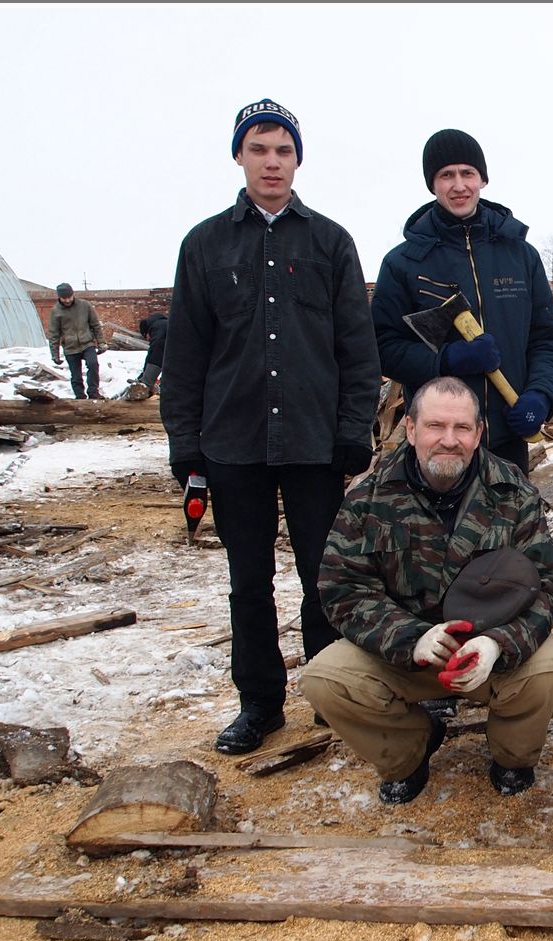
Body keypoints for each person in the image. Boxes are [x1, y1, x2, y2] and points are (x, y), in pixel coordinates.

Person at [161, 98, 381, 755]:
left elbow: (357, 350)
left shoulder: (330, 243)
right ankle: (260, 704)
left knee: (325, 576)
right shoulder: (205, 245)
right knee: (249, 583)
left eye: (284, 150)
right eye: (259, 149)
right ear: (239, 156)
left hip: (315, 445)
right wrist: (185, 444)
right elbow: (186, 355)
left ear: (297, 160)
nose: (272, 162)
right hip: (233, 444)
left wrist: (354, 429)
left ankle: (331, 696)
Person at [302, 377, 553, 803]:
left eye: (462, 427)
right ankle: (410, 749)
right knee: (325, 681)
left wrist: (498, 644)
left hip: (488, 652)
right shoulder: (369, 497)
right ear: (411, 430)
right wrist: (411, 637)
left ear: (478, 433)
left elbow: (548, 585)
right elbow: (343, 589)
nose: (449, 440)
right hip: (404, 652)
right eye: (435, 426)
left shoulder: (512, 491)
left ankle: (512, 753)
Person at [372, 128, 553, 474]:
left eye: (468, 173)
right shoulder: (404, 263)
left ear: (483, 179)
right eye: (447, 175)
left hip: (507, 436)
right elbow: (383, 347)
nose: (459, 185)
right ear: (432, 184)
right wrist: (447, 359)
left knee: (512, 512)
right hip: (440, 440)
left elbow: (547, 340)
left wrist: (540, 395)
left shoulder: (521, 256)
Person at [46, 282, 106, 399]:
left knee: (93, 365)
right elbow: (54, 334)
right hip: (70, 347)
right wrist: (55, 354)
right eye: (64, 298)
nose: (67, 300)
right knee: (76, 375)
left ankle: (93, 393)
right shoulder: (56, 311)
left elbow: (95, 325)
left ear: (73, 294)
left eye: (69, 297)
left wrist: (101, 342)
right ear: (59, 297)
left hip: (87, 343)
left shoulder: (85, 306)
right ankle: (80, 397)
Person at [123, 313, 167, 401]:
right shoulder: (164, 325)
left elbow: (155, 355)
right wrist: (143, 375)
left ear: (147, 332)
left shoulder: (159, 329)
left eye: (145, 337)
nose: (148, 340)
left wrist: (146, 382)